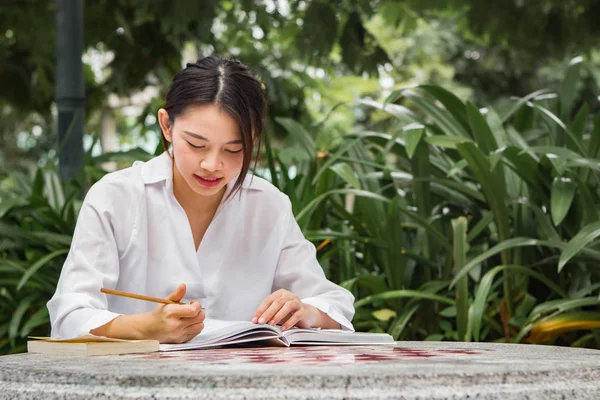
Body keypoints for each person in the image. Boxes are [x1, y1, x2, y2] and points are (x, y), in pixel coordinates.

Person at [47, 56, 355, 343]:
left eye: (233, 150)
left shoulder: (268, 205)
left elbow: (333, 304)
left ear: (254, 140)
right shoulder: (116, 198)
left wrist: (304, 310)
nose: (212, 164)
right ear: (166, 125)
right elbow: (69, 316)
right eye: (196, 145)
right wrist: (145, 328)